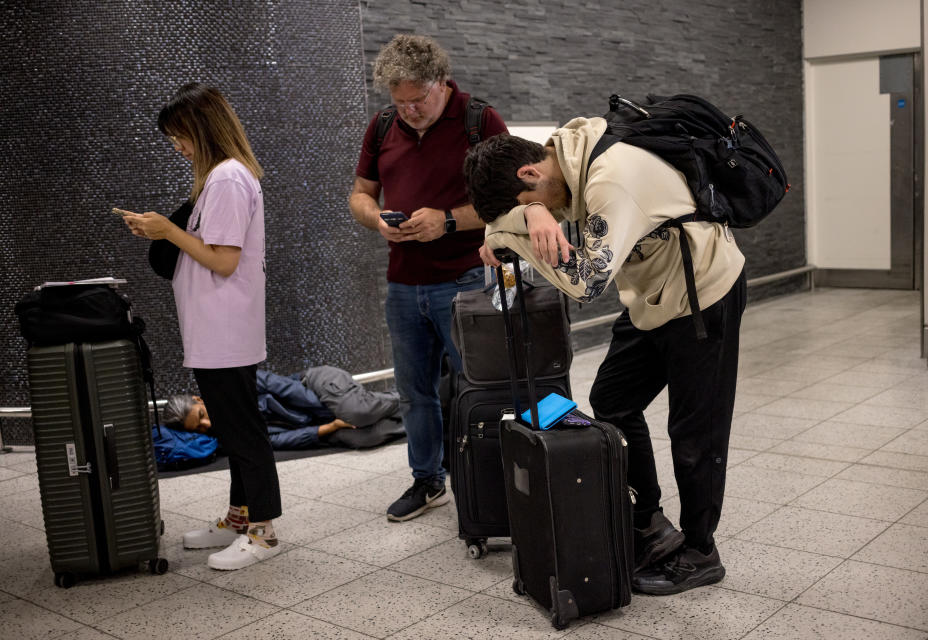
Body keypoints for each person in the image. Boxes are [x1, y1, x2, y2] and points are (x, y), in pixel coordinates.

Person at [462, 126, 747, 595]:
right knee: (613, 398)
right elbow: (525, 210)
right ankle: (648, 521)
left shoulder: (610, 179)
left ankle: (700, 552)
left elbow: (586, 285)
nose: (550, 212)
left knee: (696, 431)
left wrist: (513, 232)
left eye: (532, 201)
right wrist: (528, 210)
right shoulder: (563, 152)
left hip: (704, 294)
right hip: (653, 293)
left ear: (531, 171)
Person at [348, 34, 508, 522]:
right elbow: (359, 193)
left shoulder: (480, 120)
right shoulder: (381, 127)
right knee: (414, 391)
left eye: (419, 100)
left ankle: (491, 482)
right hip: (403, 284)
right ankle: (427, 480)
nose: (410, 111)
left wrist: (448, 221)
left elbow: (511, 200)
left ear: (443, 83)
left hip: (464, 279)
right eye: (400, 103)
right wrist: (376, 220)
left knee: (477, 386)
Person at [122, 83, 282, 571]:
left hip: (225, 326)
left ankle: (263, 532)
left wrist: (168, 231)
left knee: (243, 431)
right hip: (216, 326)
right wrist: (165, 231)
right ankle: (239, 518)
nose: (177, 145)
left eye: (180, 135)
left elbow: (225, 261)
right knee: (235, 429)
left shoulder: (229, 180)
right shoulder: (219, 178)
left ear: (201, 128)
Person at [163, 365, 405, 450]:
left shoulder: (238, 387)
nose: (208, 424)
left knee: (356, 412)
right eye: (201, 428)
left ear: (199, 399)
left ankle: (410, 398)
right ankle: (418, 418)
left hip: (316, 388)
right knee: (361, 438)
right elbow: (280, 441)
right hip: (319, 421)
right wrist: (330, 426)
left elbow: (287, 390)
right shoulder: (231, 436)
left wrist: (329, 414)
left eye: (202, 416)